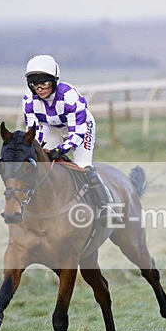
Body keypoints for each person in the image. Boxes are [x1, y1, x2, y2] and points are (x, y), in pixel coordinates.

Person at [22, 54, 121, 223]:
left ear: (54, 80)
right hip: (52, 128)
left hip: (80, 128)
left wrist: (60, 150)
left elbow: (77, 134)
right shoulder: (29, 101)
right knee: (44, 163)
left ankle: (107, 207)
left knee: (83, 166)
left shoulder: (69, 96)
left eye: (44, 82)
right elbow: (34, 132)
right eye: (34, 84)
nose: (40, 88)